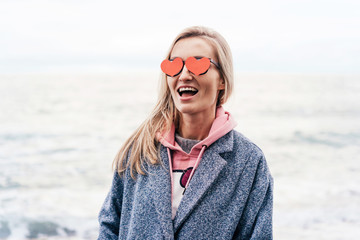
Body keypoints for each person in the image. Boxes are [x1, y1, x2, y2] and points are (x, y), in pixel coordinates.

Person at [98, 26, 273, 240]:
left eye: (198, 64)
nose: (184, 75)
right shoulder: (140, 149)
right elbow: (110, 226)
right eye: (174, 66)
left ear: (222, 80)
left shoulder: (248, 161)